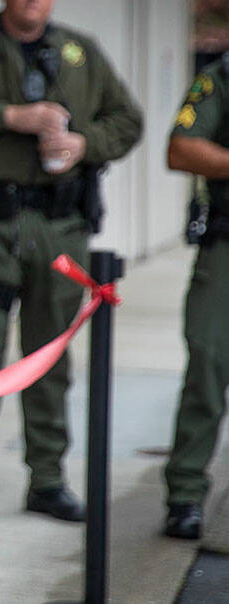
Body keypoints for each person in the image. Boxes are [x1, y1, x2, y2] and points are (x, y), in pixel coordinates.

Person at [0, 0, 142, 524]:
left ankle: (47, 479)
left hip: (60, 226)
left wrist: (83, 145)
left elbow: (129, 120)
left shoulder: (80, 54)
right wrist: (8, 117)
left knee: (49, 354)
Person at [163, 57, 229, 540]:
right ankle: (186, 492)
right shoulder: (222, 76)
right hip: (225, 246)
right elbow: (181, 149)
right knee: (207, 359)